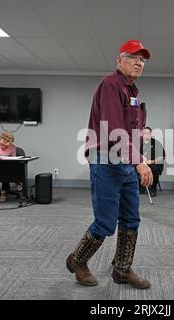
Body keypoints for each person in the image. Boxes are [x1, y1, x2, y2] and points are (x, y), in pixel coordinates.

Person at [66, 40, 153, 289]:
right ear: (119, 60)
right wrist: (139, 162)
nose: (139, 62)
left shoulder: (132, 91)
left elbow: (132, 131)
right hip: (106, 161)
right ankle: (78, 261)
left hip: (125, 162)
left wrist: (139, 157)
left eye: (142, 59)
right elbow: (114, 130)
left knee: (131, 219)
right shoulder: (111, 84)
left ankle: (122, 270)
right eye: (133, 57)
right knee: (105, 222)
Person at [139, 127, 165, 197]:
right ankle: (141, 187)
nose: (147, 135)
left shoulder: (156, 143)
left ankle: (153, 189)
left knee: (154, 168)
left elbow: (162, 158)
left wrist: (152, 161)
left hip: (154, 163)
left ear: (151, 134)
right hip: (142, 163)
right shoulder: (139, 143)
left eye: (148, 133)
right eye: (145, 133)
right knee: (133, 167)